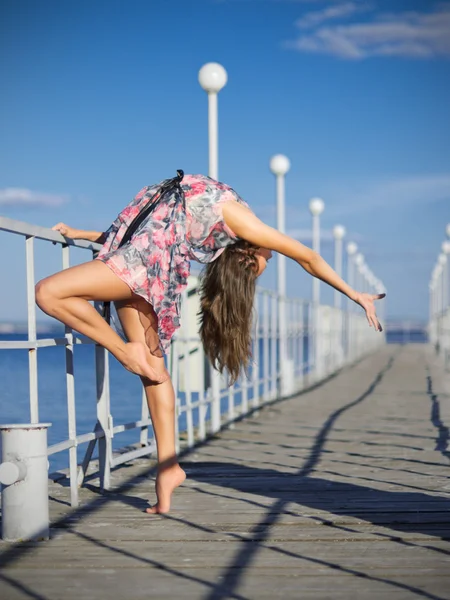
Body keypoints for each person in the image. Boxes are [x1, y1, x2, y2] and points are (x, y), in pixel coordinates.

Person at [35, 172, 385, 514]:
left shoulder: (235, 223)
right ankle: (169, 467)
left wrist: (355, 294)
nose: (272, 255)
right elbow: (307, 257)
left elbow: (149, 230)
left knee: (50, 292)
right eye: (265, 261)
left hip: (140, 266)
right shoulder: (242, 223)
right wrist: (355, 294)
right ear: (248, 251)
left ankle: (124, 354)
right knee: (154, 371)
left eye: (263, 263)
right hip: (143, 265)